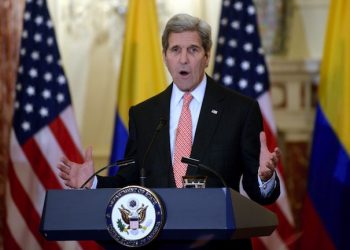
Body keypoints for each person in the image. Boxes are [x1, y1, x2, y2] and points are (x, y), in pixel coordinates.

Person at [58, 13, 281, 249]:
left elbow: (260, 194)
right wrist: (93, 184)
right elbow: (130, 181)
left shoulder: (240, 110)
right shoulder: (144, 115)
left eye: (193, 50)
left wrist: (264, 177)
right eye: (175, 50)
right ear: (165, 57)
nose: (183, 59)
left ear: (207, 55)